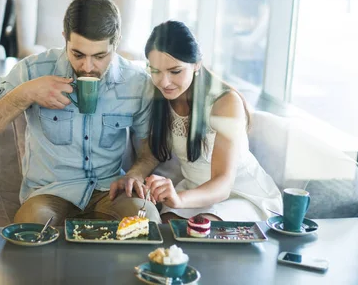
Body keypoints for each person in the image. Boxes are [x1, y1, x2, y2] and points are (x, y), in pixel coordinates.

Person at [0, 0, 160, 225]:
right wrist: (26, 93)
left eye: (100, 56)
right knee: (31, 227)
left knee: (145, 220)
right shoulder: (32, 70)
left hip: (109, 191)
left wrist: (135, 174)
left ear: (116, 43)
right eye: (78, 54)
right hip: (49, 193)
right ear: (65, 38)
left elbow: (151, 148)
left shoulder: (137, 82)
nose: (87, 67)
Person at [113, 20, 282, 222]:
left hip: (239, 195)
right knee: (163, 230)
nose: (164, 82)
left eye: (175, 71)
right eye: (156, 71)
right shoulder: (160, 95)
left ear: (196, 64)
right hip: (193, 192)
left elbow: (223, 183)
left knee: (200, 227)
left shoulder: (225, 103)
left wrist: (178, 199)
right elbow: (153, 154)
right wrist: (134, 175)